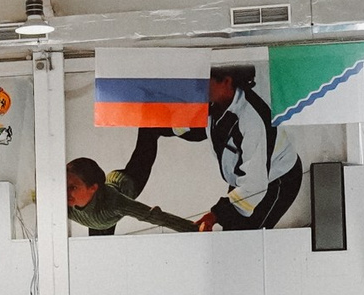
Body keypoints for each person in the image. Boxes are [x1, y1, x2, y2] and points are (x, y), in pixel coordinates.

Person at [174, 68, 298, 231]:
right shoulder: (215, 102)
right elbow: (190, 129)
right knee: (232, 230)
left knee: (245, 236)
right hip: (246, 175)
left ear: (226, 81)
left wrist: (214, 215)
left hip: (276, 179)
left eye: (204, 81)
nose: (198, 86)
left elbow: (255, 184)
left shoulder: (251, 119)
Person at [67, 132, 202, 234]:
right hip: (101, 219)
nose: (66, 193)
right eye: (65, 186)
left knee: (148, 135)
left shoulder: (115, 203)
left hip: (128, 181)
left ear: (92, 188)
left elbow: (153, 215)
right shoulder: (64, 203)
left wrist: (195, 229)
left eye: (73, 187)